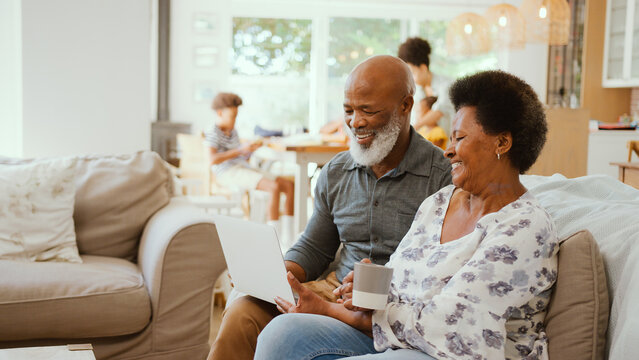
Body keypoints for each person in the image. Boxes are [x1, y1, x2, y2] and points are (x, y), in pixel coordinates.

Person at [254, 70, 557, 360]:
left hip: (453, 354)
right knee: (281, 334)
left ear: (501, 143)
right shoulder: (439, 203)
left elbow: (454, 326)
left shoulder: (524, 227)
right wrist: (361, 291)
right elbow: (396, 281)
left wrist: (332, 310)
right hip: (396, 339)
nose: (448, 151)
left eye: (460, 139)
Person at [207, 56, 452, 360]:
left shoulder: (443, 177)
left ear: (405, 106)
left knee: (284, 334)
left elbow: (442, 270)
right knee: (244, 310)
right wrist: (279, 273)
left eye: (368, 110)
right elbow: (315, 246)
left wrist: (381, 288)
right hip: (335, 290)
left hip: (396, 306)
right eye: (348, 110)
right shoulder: (335, 172)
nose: (355, 122)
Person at [205, 92, 294, 232]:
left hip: (242, 167)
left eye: (236, 116)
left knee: (289, 186)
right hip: (227, 173)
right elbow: (212, 160)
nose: (235, 120)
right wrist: (240, 150)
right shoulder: (213, 132)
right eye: (232, 116)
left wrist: (250, 150)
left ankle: (289, 235)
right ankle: (274, 236)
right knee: (273, 187)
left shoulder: (232, 131)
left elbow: (240, 156)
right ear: (220, 113)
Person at [398, 37, 455, 149]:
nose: (410, 78)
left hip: (450, 145)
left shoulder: (446, 85)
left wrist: (411, 129)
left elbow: (438, 111)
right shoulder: (417, 91)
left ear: (423, 68)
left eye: (412, 72)